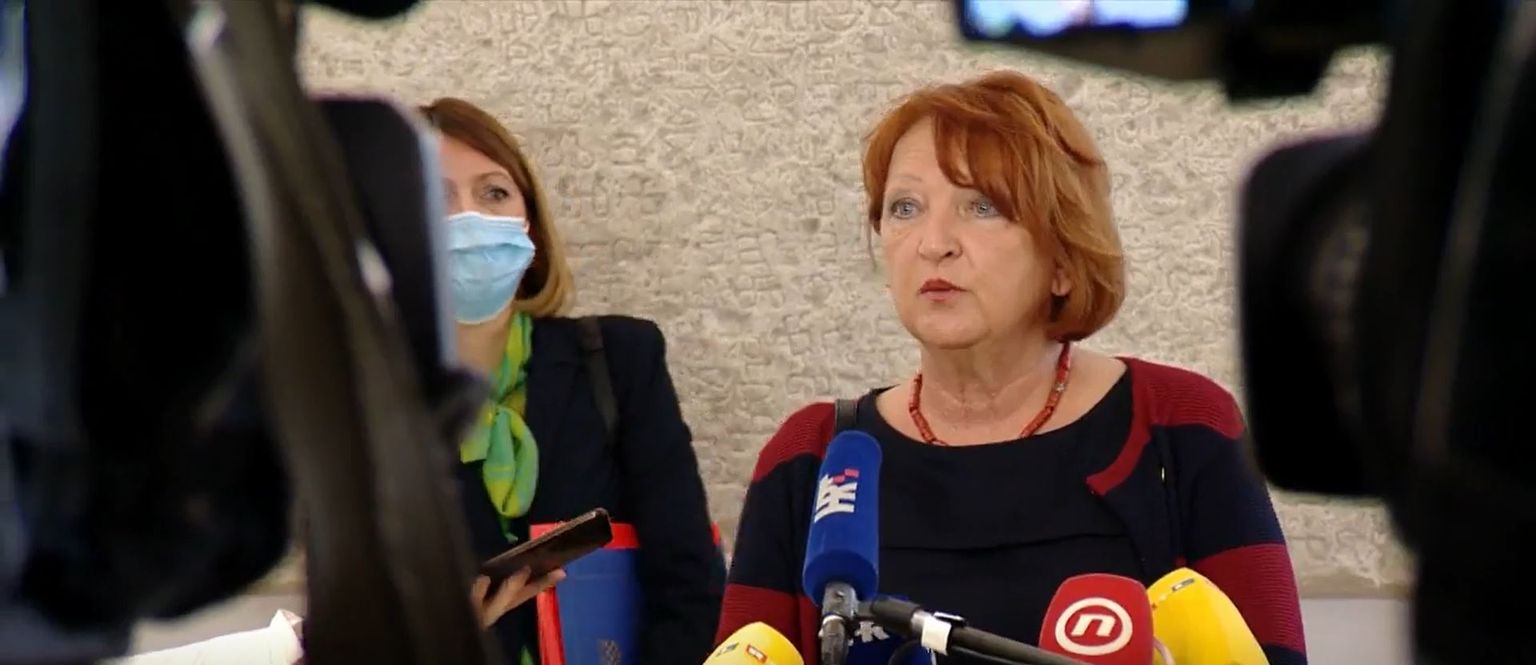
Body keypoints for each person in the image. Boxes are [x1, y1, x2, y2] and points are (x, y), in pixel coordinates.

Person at [715, 70, 1307, 665]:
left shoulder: (1180, 425)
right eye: (905, 207)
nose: (934, 242)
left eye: (982, 206)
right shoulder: (813, 457)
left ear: (1063, 256)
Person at [421, 97, 725, 665]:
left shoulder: (619, 359)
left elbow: (690, 584)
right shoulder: (360, 406)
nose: (471, 218)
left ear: (529, 222)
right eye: (436, 198)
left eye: (494, 193)